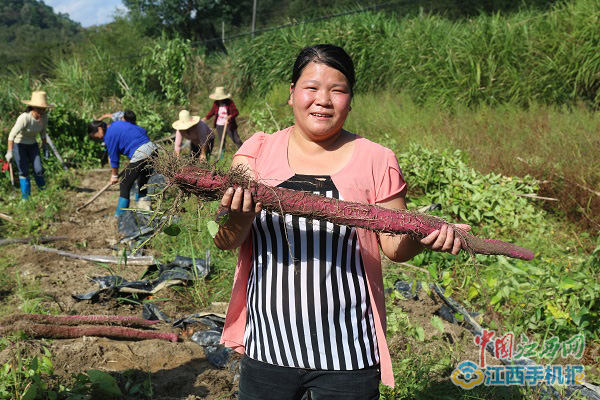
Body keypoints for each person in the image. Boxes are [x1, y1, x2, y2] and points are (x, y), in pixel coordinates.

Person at [214, 44, 471, 400]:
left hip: (347, 354)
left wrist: (422, 234)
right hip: (268, 348)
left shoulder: (376, 159)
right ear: (291, 94)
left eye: (338, 90)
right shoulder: (256, 151)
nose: (323, 100)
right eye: (311, 88)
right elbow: (225, 239)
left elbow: (394, 247)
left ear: (350, 100)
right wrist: (240, 217)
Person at [87, 117, 157, 216]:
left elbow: (114, 158)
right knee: (142, 182)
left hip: (141, 154)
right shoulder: (117, 124)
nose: (98, 138)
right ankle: (144, 210)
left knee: (124, 183)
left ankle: (121, 215)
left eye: (96, 136)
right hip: (153, 150)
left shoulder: (109, 136)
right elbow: (142, 130)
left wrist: (114, 176)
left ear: (99, 129)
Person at [4, 91, 54, 200]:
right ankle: (26, 198)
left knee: (38, 169)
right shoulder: (25, 118)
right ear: (33, 107)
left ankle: (43, 194)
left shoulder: (44, 117)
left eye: (43, 109)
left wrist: (45, 147)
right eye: (39, 109)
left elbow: (43, 132)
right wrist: (10, 151)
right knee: (24, 170)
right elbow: (12, 135)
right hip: (19, 145)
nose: (42, 111)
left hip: (32, 145)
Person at [201, 87, 243, 155]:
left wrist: (230, 116)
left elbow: (236, 112)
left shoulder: (229, 102)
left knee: (236, 139)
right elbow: (212, 112)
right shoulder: (216, 103)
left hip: (229, 124)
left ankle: (243, 152)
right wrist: (205, 118)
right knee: (221, 141)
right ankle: (221, 156)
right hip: (219, 125)